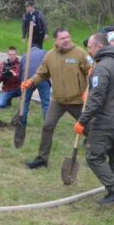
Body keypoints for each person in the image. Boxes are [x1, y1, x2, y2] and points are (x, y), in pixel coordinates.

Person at [21, 28, 91, 169]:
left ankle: (95, 157)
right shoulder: (49, 55)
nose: (66, 40)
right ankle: (42, 159)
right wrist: (31, 81)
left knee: (90, 129)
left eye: (68, 37)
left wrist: (89, 91)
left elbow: (91, 71)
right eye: (62, 38)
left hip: (78, 101)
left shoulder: (80, 53)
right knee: (47, 126)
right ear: (56, 41)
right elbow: (41, 73)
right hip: (58, 101)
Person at [75, 32, 114, 205]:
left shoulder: (102, 67)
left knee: (94, 156)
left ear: (99, 47)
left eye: (90, 47)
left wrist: (82, 121)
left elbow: (97, 99)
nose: (89, 50)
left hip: (107, 120)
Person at [19, 44, 51, 126]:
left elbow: (20, 72)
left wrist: (22, 85)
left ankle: (22, 123)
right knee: (45, 103)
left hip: (28, 78)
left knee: (25, 102)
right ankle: (48, 125)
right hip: (42, 77)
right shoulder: (45, 52)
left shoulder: (25, 55)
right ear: (39, 48)